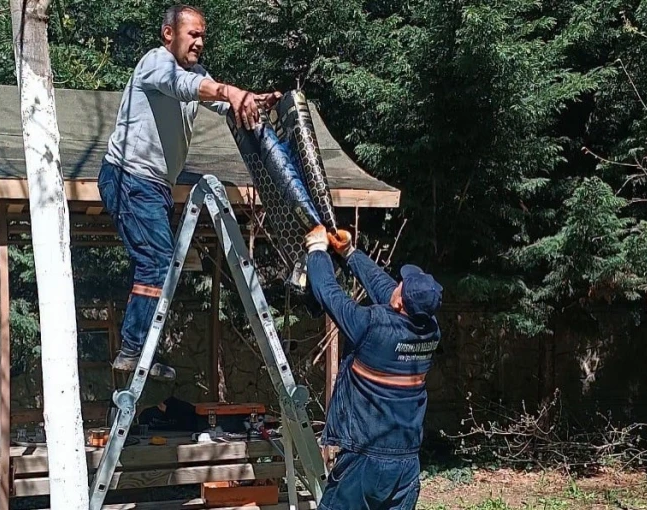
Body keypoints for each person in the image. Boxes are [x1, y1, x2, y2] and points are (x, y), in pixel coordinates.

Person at [98, 4, 282, 380]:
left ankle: (141, 350)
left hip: (154, 185)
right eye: (192, 34)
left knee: (157, 265)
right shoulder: (155, 63)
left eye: (202, 36)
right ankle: (134, 350)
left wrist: (250, 101)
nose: (199, 42)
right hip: (129, 177)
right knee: (159, 261)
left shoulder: (196, 73)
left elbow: (215, 100)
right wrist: (230, 91)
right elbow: (186, 89)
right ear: (169, 34)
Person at [304, 226, 443, 510]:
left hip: (364, 460)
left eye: (401, 285)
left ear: (401, 302)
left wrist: (317, 251)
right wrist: (349, 253)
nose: (397, 284)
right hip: (406, 464)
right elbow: (384, 288)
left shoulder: (371, 327)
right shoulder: (430, 330)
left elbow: (328, 293)